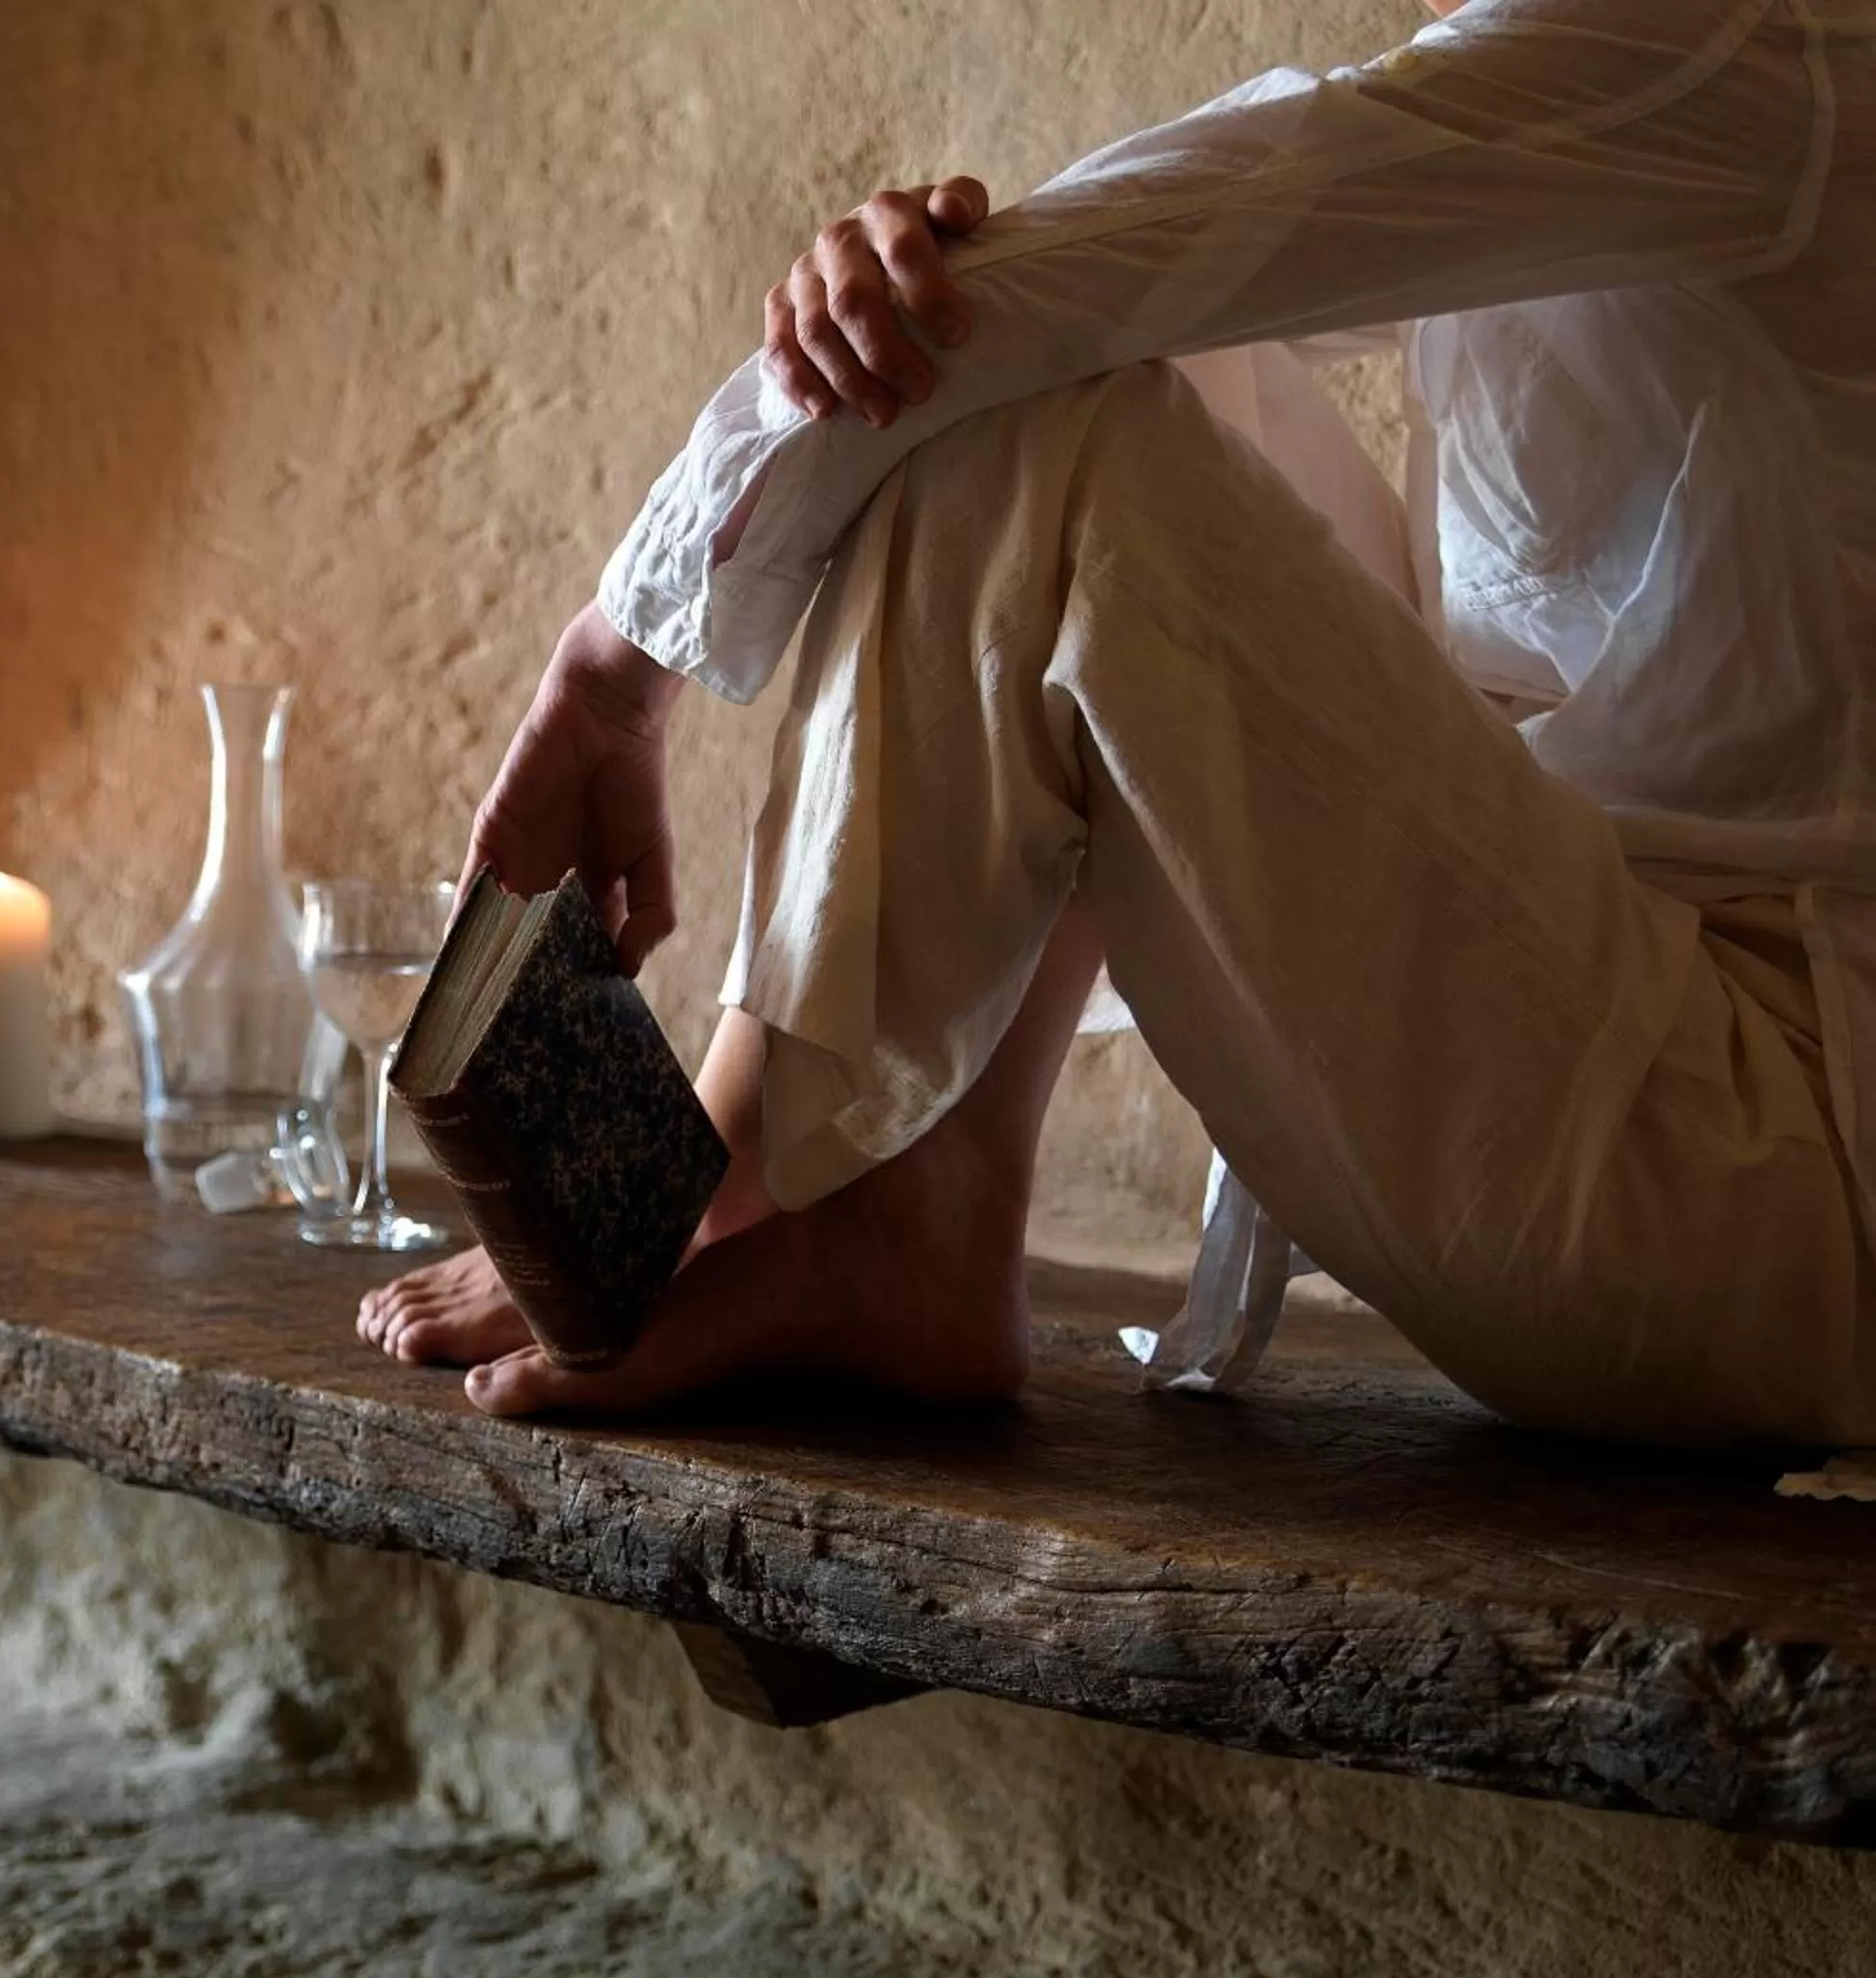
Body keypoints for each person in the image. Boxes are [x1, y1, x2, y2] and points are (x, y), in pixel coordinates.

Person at [358, 0, 1876, 1445]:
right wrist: (898, 287)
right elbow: (1139, 263)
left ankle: (729, 1176)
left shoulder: (1736, 35)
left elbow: (1036, 302)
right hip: (1636, 1036)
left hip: (1775, 1182)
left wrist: (613, 670)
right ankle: (918, 1206)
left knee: (1033, 385)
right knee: (1103, 355)